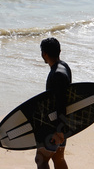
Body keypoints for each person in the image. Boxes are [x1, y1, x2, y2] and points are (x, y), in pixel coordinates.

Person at [35, 37, 72, 169]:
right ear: (59, 51)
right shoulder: (64, 66)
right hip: (63, 123)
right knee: (58, 157)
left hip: (55, 126)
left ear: (44, 54)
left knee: (41, 160)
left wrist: (59, 131)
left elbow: (60, 103)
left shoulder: (56, 74)